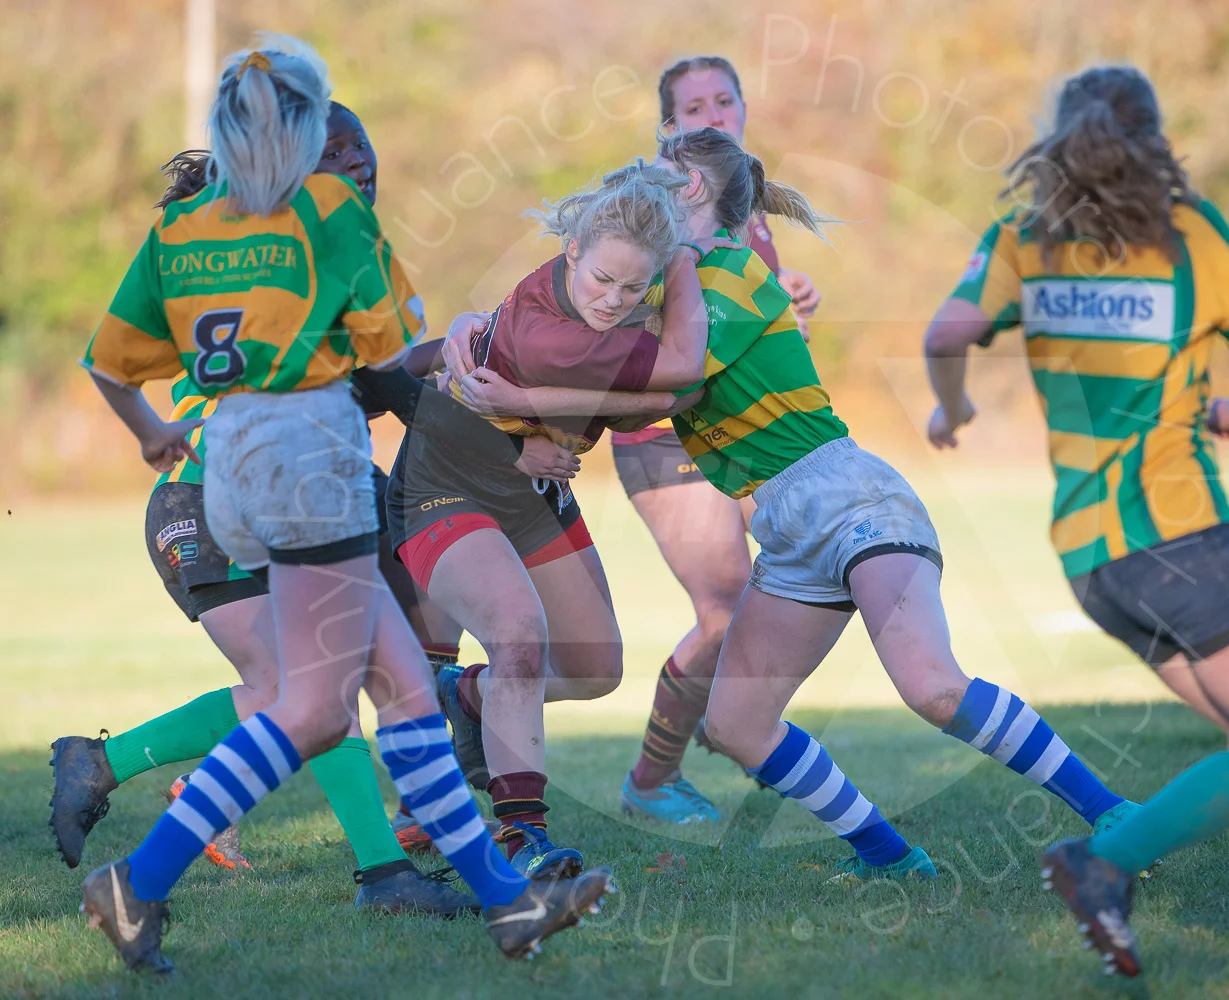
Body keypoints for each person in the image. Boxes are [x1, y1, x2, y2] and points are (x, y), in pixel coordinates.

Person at [450, 127, 1139, 885]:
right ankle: (889, 857)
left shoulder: (733, 273)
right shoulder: (658, 286)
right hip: (783, 521)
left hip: (847, 497)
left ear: (689, 194)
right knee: (737, 725)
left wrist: (521, 396)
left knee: (932, 688)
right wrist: (470, 329)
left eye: (662, 176)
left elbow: (668, 385)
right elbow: (555, 317)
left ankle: (1114, 814)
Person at [75, 35, 610, 975]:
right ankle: (136, 883)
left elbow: (108, 361)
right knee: (316, 710)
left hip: (231, 461)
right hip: (312, 460)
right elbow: (392, 343)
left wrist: (154, 432)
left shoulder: (184, 229)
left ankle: (505, 904)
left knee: (403, 686)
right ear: (309, 130)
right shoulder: (327, 212)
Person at [922, 66, 1229, 989]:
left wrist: (950, 412)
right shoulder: (1187, 236)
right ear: (1153, 142)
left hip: (1094, 560)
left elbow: (943, 335)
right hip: (1179, 537)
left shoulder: (1022, 239)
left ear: (1060, 143)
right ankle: (1105, 862)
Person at [49, 101, 493, 917]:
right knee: (305, 692)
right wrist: (476, 386)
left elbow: (372, 378)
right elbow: (378, 380)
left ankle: (105, 773)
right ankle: (392, 874)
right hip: (217, 504)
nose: (357, 169)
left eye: (363, 153)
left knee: (298, 696)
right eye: (334, 159)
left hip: (279, 494)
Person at [382, 161, 734, 877]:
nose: (614, 300)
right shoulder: (557, 337)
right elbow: (684, 368)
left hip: (531, 493)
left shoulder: (610, 293)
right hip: (444, 486)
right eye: (602, 280)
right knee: (516, 635)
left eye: (635, 287)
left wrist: (531, 409)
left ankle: (463, 695)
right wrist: (685, 264)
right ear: (571, 251)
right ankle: (522, 836)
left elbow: (672, 393)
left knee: (596, 668)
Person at [611, 56, 822, 823]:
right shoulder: (650, 213)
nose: (710, 115)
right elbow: (647, 326)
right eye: (691, 107)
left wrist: (788, 292)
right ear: (665, 129)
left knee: (800, 591)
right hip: (662, 432)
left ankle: (737, 728)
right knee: (727, 606)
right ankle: (652, 779)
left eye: (723, 100)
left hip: (735, 435)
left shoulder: (745, 207)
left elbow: (725, 306)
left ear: (743, 107)